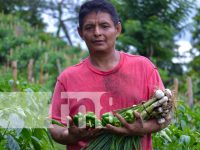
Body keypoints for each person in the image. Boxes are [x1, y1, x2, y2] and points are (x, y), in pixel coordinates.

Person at [48, 0, 171, 150]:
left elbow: (166, 115)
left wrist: (143, 128)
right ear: (80, 33)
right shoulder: (68, 78)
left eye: (104, 26)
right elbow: (55, 125)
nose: (97, 32)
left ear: (117, 29)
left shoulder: (144, 67)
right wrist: (70, 135)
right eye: (89, 27)